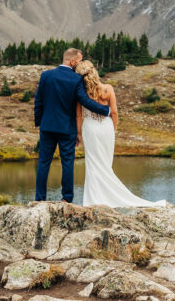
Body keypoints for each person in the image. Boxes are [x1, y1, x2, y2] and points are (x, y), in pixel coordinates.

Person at [76, 59, 165, 207]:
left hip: (90, 129)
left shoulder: (81, 94)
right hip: (106, 128)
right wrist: (113, 129)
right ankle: (107, 198)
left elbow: (78, 116)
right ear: (95, 73)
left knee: (93, 163)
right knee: (105, 163)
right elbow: (115, 112)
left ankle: (94, 200)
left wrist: (78, 134)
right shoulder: (108, 89)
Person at [34, 48, 111, 202]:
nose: (80, 63)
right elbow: (85, 102)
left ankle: (40, 199)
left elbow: (38, 101)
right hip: (66, 129)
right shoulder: (76, 80)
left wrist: (39, 122)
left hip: (47, 127)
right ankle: (66, 199)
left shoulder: (46, 75)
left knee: (43, 163)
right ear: (72, 61)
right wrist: (106, 110)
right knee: (67, 163)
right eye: (79, 60)